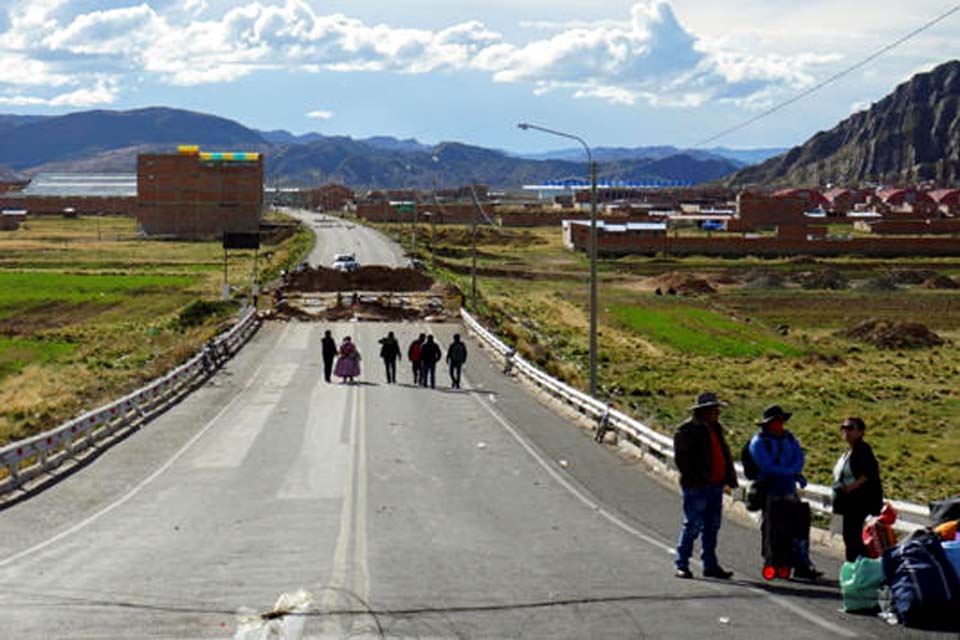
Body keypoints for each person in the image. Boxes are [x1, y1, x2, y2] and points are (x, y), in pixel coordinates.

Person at [749, 405, 822, 579]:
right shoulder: (759, 442)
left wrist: (792, 471)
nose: (780, 424)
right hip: (770, 491)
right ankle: (772, 562)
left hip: (788, 488)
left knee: (796, 528)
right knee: (772, 528)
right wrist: (791, 472)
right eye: (777, 420)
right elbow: (766, 466)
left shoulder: (789, 439)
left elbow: (799, 457)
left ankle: (800, 564)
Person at [673, 392, 738, 580]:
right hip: (698, 486)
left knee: (712, 526)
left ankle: (710, 564)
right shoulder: (686, 430)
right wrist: (698, 479)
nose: (717, 412)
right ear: (703, 411)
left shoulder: (715, 428)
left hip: (715, 485)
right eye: (713, 409)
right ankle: (682, 563)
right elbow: (683, 460)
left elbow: (723, 454)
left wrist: (727, 477)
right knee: (693, 525)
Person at [832, 417, 883, 562]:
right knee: (850, 537)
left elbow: (868, 473)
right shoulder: (850, 451)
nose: (846, 432)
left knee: (853, 537)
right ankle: (856, 566)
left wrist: (850, 487)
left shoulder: (863, 449)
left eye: (850, 428)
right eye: (844, 428)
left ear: (860, 432)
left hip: (858, 502)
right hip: (848, 503)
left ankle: (860, 567)